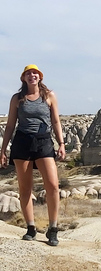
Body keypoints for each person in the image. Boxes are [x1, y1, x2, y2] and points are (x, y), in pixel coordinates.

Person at [0, 64, 65, 246]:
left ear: (40, 77)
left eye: (34, 73)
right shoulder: (17, 98)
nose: (32, 75)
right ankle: (30, 227)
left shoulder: (49, 96)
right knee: (25, 187)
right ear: (23, 78)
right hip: (22, 142)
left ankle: (53, 228)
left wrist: (61, 143)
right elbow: (11, 125)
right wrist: (3, 150)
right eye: (28, 73)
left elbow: (56, 121)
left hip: (44, 141)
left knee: (52, 185)